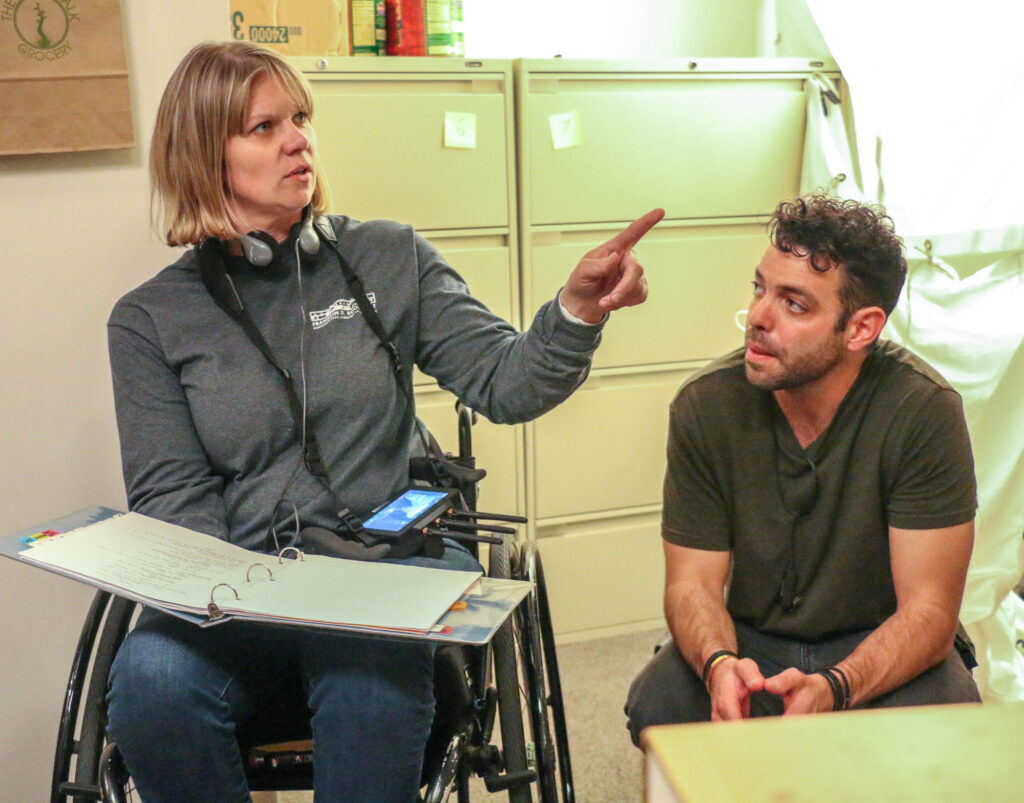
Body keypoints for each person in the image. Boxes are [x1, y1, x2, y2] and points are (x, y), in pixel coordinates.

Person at [104, 41, 663, 802]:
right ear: (204, 155)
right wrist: (253, 587)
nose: (298, 139)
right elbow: (172, 501)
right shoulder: (149, 320)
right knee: (148, 678)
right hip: (250, 595)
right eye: (265, 127)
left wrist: (575, 310)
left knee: (367, 663)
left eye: (299, 118)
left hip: (387, 569)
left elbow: (504, 381)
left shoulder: (387, 256)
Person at [625, 193, 979, 741]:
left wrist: (838, 685)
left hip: (875, 639)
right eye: (760, 288)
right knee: (660, 704)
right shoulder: (705, 405)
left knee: (948, 717)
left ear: (861, 328)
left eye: (795, 304)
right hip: (750, 639)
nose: (759, 317)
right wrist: (720, 664)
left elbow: (930, 612)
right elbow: (692, 583)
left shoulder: (923, 409)